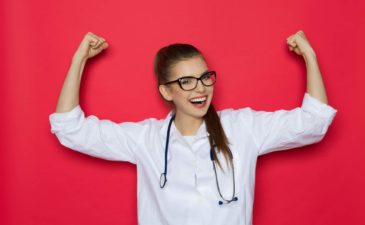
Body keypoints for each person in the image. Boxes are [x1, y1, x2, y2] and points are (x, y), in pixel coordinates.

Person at [49, 30, 338, 225]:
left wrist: (309, 55)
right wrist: (80, 59)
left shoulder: (243, 127)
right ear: (166, 91)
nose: (200, 89)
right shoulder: (145, 139)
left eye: (205, 77)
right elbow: (69, 128)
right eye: (185, 81)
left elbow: (314, 122)